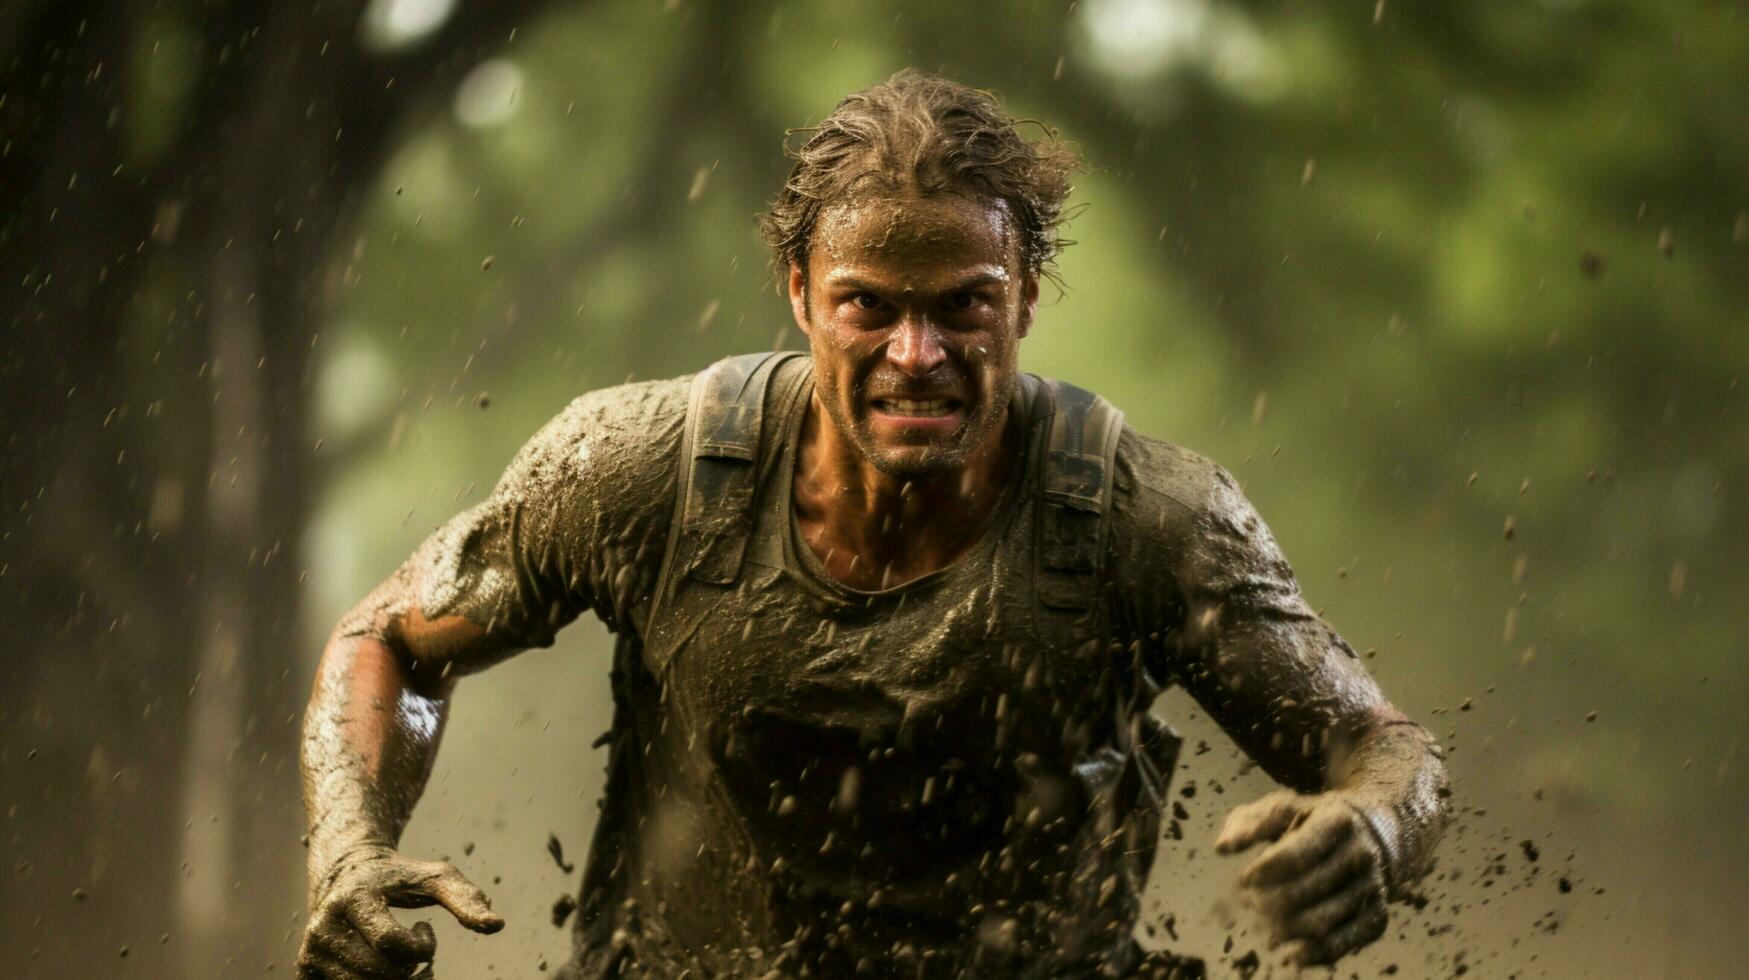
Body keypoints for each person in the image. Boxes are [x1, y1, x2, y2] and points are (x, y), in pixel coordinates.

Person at [296, 69, 1448, 979]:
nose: (917, 354)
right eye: (869, 307)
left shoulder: (1151, 521)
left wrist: (1378, 828)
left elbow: (1384, 746)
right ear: (801, 293)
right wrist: (347, 845)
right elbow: (389, 637)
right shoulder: (645, 471)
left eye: (964, 307)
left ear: (1025, 299)